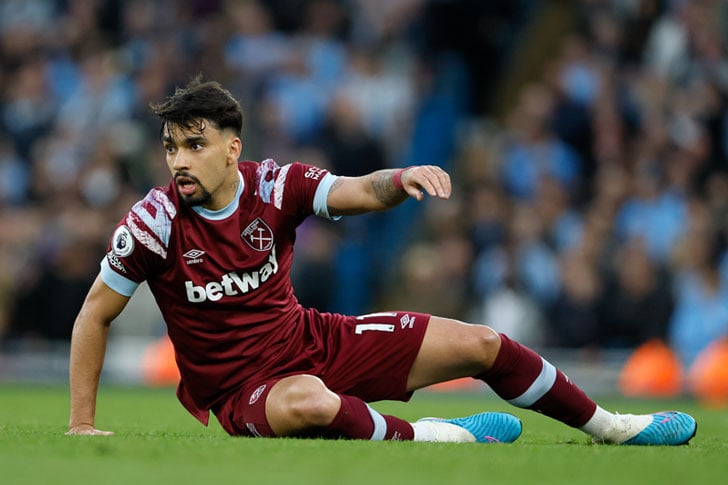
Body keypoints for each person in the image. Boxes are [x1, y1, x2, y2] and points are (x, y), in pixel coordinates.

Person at [67, 77, 696, 445]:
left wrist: (401, 176)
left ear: (232, 150)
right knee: (309, 404)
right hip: (244, 391)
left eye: (194, 145)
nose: (178, 160)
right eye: (171, 146)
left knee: (480, 343)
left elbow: (357, 190)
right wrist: (81, 424)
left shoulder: (274, 185)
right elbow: (94, 315)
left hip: (317, 340)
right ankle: (442, 437)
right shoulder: (151, 224)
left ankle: (615, 428)